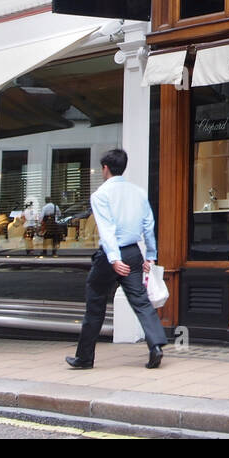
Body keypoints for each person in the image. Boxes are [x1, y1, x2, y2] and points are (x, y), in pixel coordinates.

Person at [67, 148, 166, 370]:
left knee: (95, 303)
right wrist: (150, 256)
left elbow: (107, 229)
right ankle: (156, 345)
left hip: (111, 256)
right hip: (133, 252)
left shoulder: (101, 195)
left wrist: (113, 259)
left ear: (105, 168)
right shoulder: (138, 192)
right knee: (140, 300)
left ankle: (84, 358)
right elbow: (148, 226)